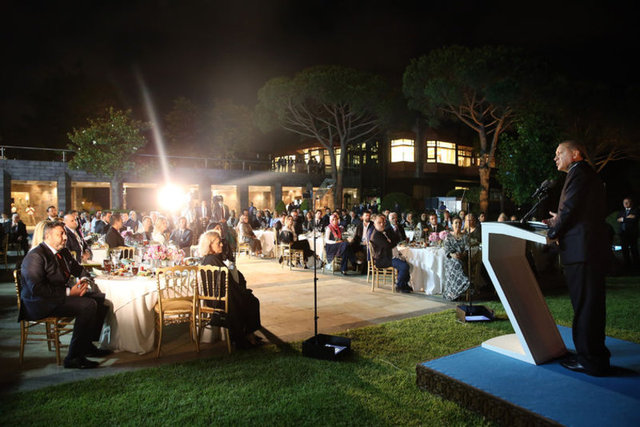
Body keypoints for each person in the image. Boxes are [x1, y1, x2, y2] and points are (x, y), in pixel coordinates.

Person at [545, 140, 610, 376]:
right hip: (586, 250)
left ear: (575, 154)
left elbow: (570, 208)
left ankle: (590, 360)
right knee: (589, 305)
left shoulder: (578, 173)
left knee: (585, 306)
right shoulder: (584, 174)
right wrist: (558, 219)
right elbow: (578, 211)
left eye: (559, 152)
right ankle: (593, 356)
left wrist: (553, 231)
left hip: (582, 251)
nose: (555, 157)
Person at [20, 221, 111, 368]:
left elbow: (79, 270)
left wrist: (84, 280)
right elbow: (36, 289)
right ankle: (73, 358)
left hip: (58, 298)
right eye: (60, 234)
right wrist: (69, 292)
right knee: (88, 305)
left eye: (64, 233)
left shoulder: (63, 252)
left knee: (99, 299)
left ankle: (87, 346)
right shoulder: (36, 256)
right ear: (48, 236)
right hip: (39, 303)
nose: (65, 237)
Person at [198, 230, 263, 349]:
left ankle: (248, 334)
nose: (222, 244)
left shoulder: (210, 259)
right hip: (221, 299)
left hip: (220, 296)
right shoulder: (212, 261)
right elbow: (225, 284)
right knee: (252, 301)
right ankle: (248, 335)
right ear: (210, 246)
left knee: (249, 298)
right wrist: (241, 292)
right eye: (218, 243)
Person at [369, 214, 412, 293]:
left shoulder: (382, 232)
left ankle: (404, 284)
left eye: (383, 222)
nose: (382, 224)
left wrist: (391, 242)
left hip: (388, 256)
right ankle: (399, 285)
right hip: (383, 259)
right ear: (374, 224)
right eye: (379, 223)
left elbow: (393, 241)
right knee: (404, 266)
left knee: (407, 263)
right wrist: (390, 242)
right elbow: (388, 245)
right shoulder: (376, 235)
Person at [443, 217, 471, 300]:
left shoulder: (465, 237)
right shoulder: (448, 237)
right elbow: (447, 251)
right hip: (451, 260)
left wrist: (462, 255)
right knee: (456, 263)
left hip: (462, 258)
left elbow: (467, 249)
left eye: (459, 223)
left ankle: (457, 290)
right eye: (456, 223)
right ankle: (460, 286)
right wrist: (453, 255)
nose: (458, 225)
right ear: (452, 225)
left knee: (458, 263)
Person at [617, 197, 639, 269]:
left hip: (632, 234)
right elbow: (618, 219)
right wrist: (628, 218)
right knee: (625, 250)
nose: (625, 204)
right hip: (623, 234)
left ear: (631, 203)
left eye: (627, 202)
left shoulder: (635, 210)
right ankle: (627, 265)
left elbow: (634, 219)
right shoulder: (621, 212)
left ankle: (636, 265)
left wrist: (623, 219)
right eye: (624, 202)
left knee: (634, 249)